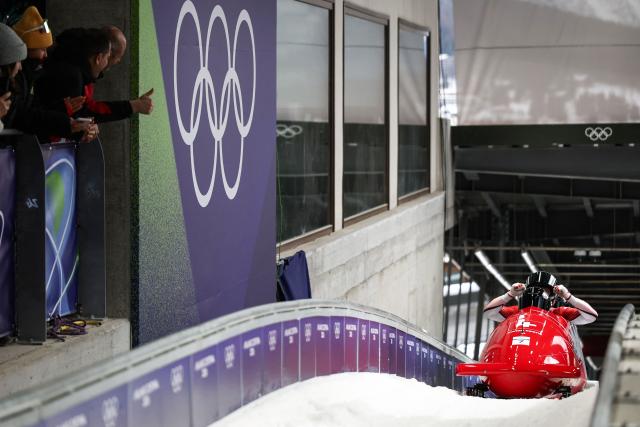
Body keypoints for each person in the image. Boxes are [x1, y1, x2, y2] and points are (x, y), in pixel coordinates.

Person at [0, 23, 97, 141]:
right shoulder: (18, 81)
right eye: (42, 49)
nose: (46, 54)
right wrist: (67, 124)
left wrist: (63, 110)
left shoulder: (27, 78)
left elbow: (31, 112)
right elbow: (24, 117)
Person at [484, 271, 598, 325]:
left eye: (544, 289)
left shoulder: (561, 313)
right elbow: (488, 312)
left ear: (553, 296)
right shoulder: (517, 312)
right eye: (535, 287)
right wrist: (510, 294)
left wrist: (568, 296)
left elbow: (591, 316)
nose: (538, 292)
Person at [12, 6, 52, 92]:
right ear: (27, 48)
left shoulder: (35, 71)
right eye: (42, 49)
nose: (46, 54)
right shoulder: (15, 74)